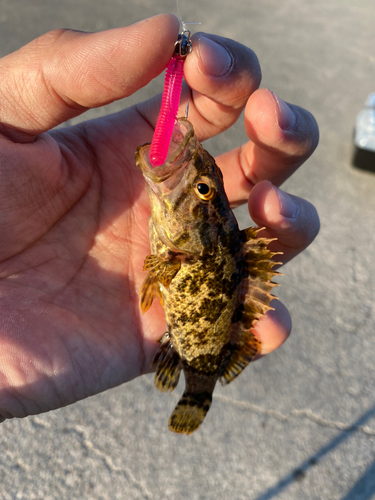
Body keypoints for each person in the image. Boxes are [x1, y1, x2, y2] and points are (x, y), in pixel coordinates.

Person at [0, 14, 319, 421]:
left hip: (187, 331)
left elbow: (165, 273)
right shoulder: (180, 239)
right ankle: (196, 391)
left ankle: (197, 392)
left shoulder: (181, 249)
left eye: (202, 190)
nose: (195, 184)